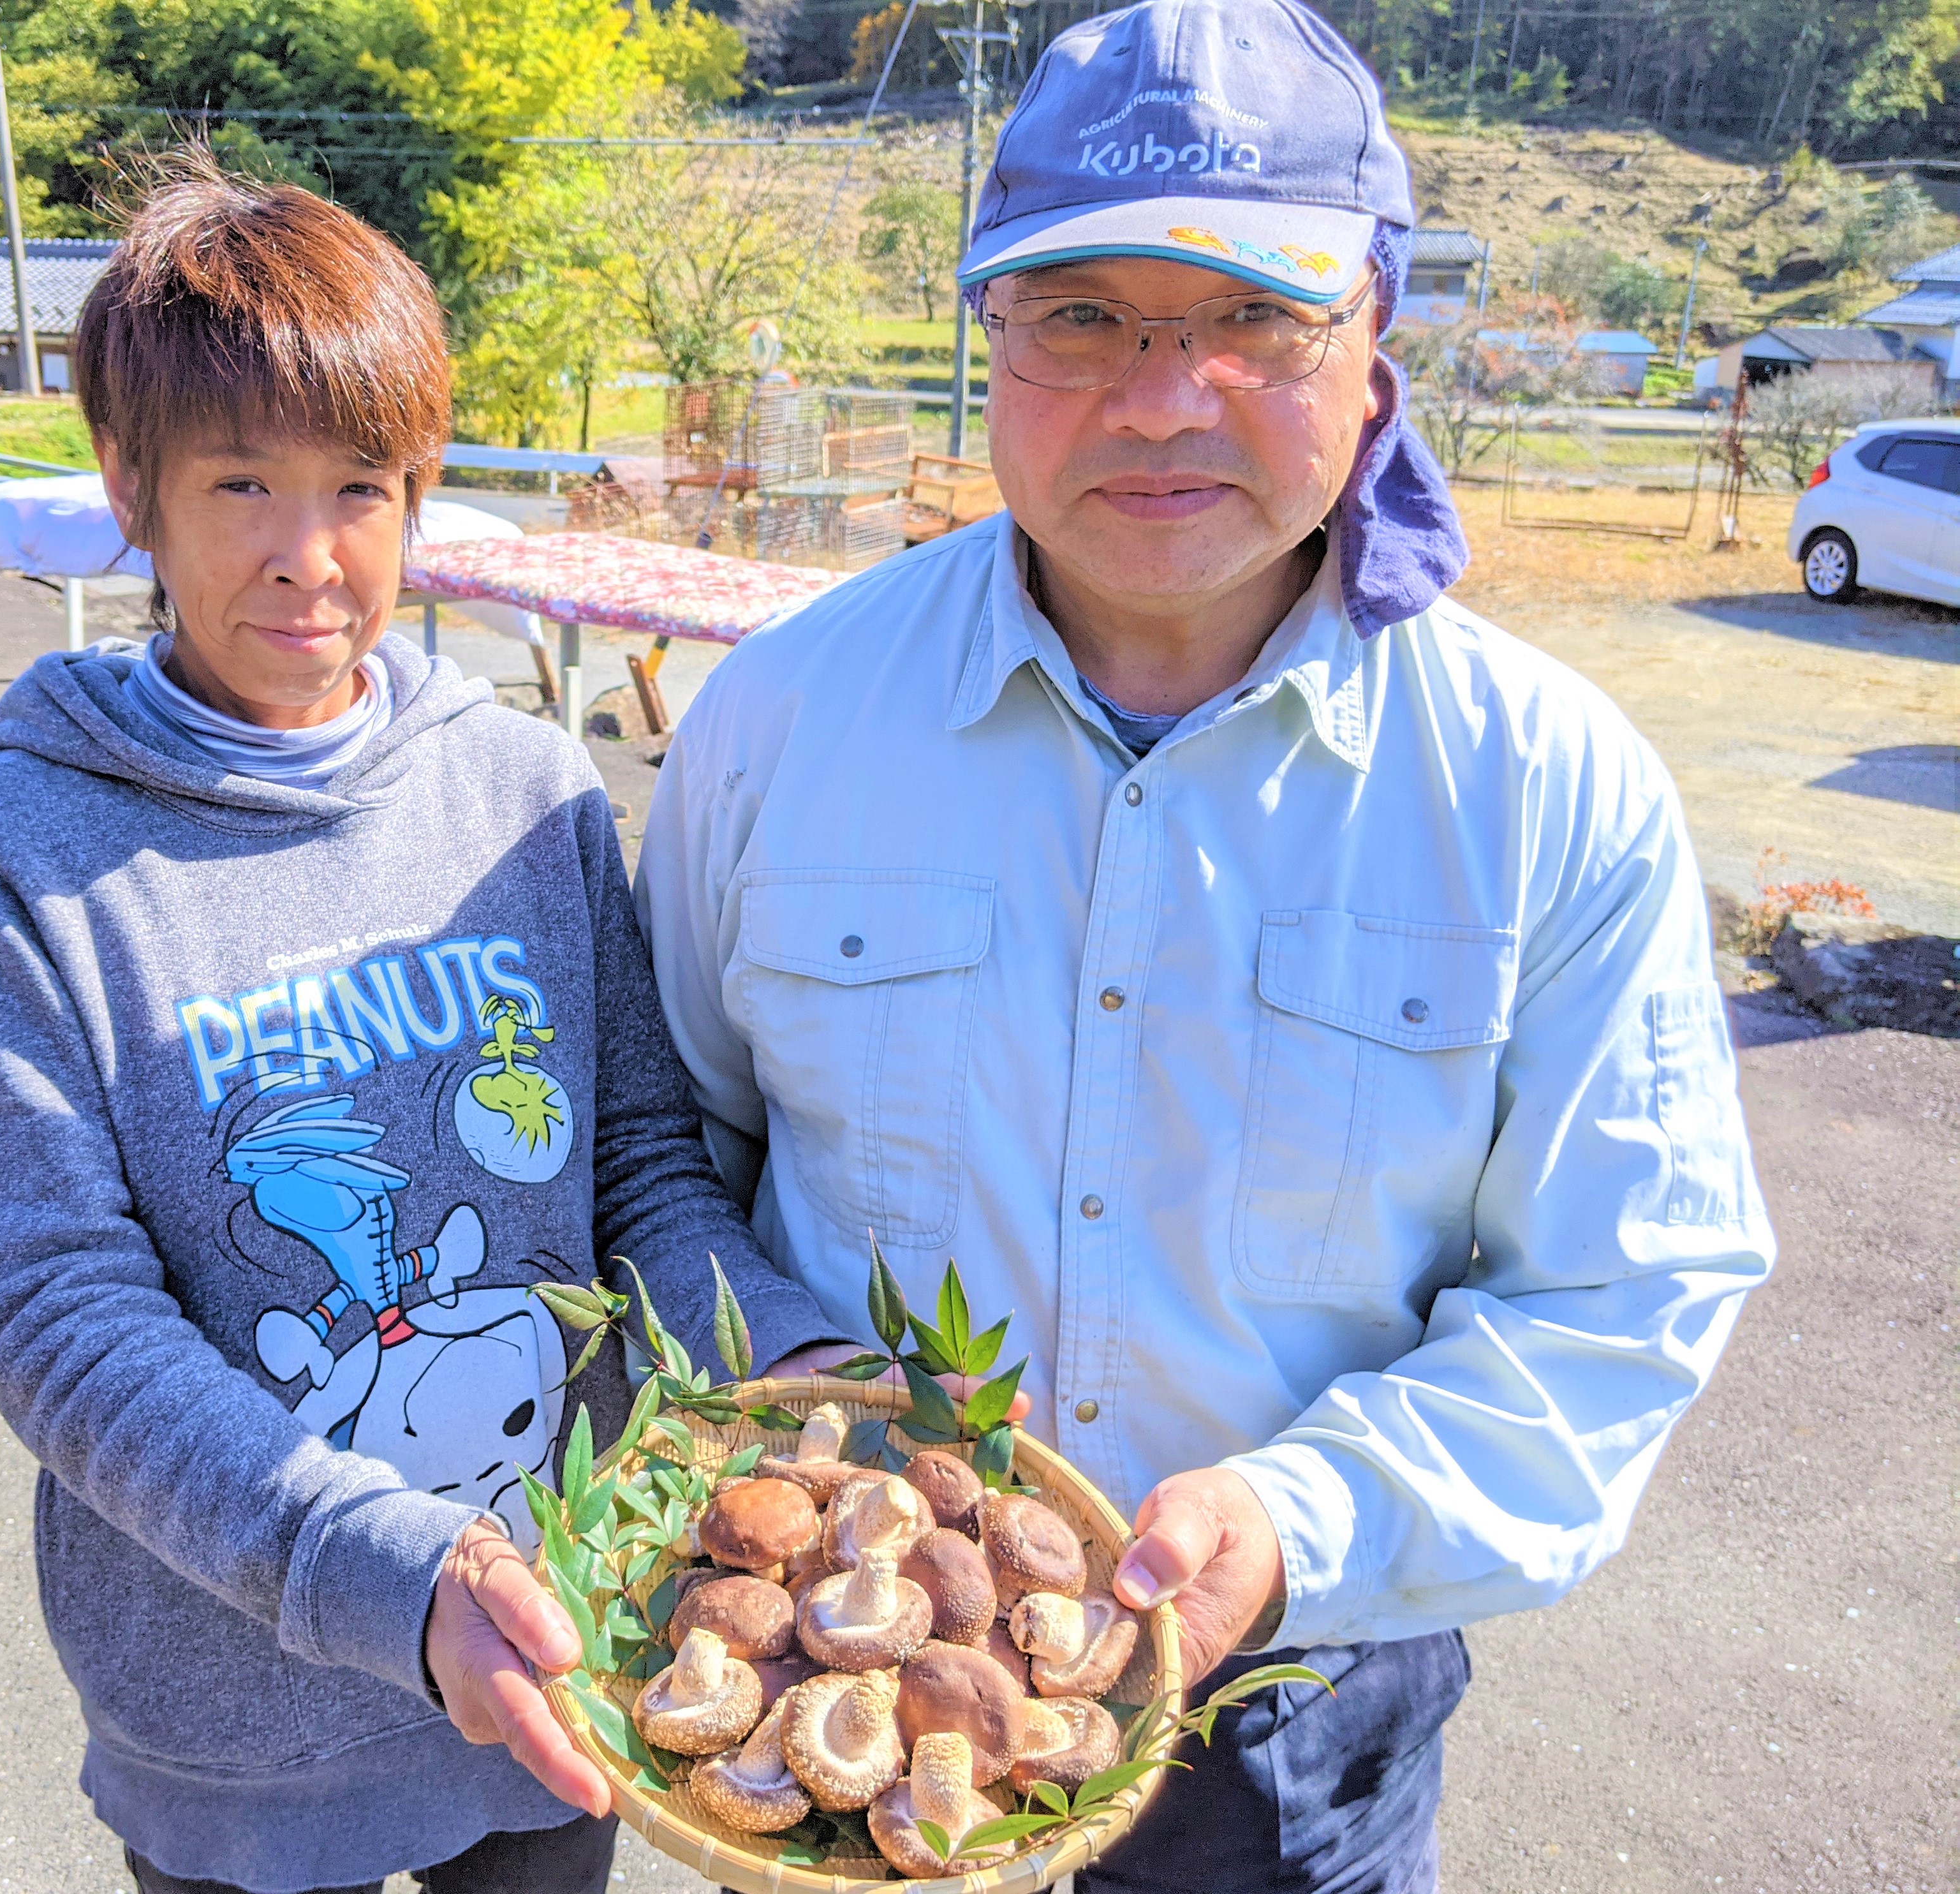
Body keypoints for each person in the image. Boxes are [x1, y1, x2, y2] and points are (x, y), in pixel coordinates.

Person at [634, 1, 1776, 1886]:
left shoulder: (1540, 784)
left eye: (1250, 317)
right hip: (843, 1686)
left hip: (1289, 1730)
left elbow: (1618, 1291)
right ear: (984, 340)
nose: (1160, 397)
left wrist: (1297, 1510)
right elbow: (662, 1146)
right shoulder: (778, 721)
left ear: (1371, 344)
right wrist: (802, 1398)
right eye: (1078, 316)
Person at [0, 163, 847, 1894]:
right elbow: (61, 1314)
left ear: (420, 494)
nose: (308, 553)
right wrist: (386, 1571)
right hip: (236, 1718)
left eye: (361, 487)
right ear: (131, 488)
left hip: (570, 1631)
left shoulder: (521, 786)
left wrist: (772, 1349)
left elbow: (636, 1165)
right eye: (240, 483)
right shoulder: (16, 844)